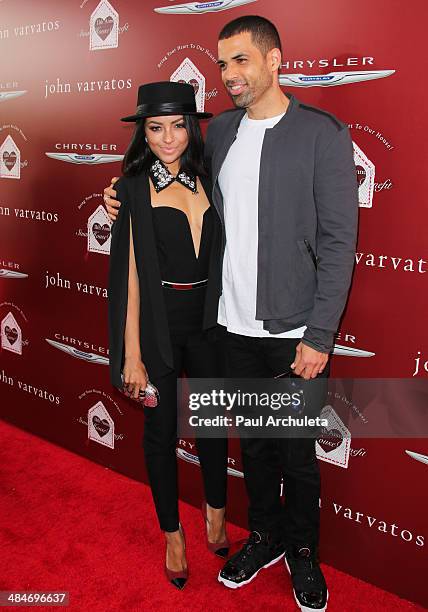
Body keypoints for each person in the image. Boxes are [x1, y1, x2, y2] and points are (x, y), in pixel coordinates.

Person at [105, 16, 358, 612]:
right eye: (222, 64)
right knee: (255, 448)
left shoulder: (322, 134)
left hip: (293, 330)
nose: (229, 75)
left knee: (296, 456)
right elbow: (160, 178)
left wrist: (319, 334)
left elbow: (339, 243)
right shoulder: (218, 135)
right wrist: (120, 193)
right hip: (229, 328)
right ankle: (264, 536)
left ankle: (302, 553)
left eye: (241, 60)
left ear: (275, 61)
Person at [107, 81, 229, 591]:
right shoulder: (132, 189)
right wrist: (131, 354)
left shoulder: (213, 178)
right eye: (154, 128)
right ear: (143, 132)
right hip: (158, 324)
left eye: (177, 126)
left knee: (213, 423)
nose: (167, 138)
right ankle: (173, 534)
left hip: (210, 321)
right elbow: (131, 277)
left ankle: (216, 513)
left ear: (192, 127)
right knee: (159, 435)